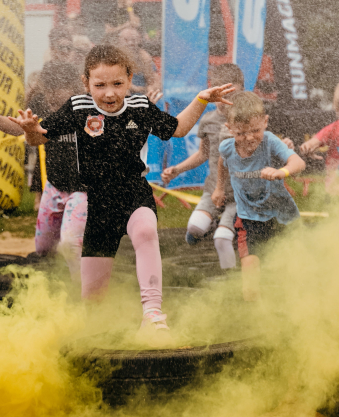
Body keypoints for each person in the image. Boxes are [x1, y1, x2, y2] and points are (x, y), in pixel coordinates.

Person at [13, 44, 234, 336]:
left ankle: (153, 315)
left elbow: (178, 128)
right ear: (86, 83)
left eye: (118, 84)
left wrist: (201, 99)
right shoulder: (78, 107)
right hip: (99, 205)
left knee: (145, 231)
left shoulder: (140, 107)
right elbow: (39, 139)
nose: (109, 93)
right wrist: (30, 128)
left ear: (130, 80)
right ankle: (95, 332)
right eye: (100, 85)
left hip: (133, 194)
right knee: (92, 303)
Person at [213, 91, 307, 302]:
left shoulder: (270, 142)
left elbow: (298, 163)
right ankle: (255, 317)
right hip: (249, 220)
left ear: (265, 122)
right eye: (240, 133)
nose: (248, 138)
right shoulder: (227, 148)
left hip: (283, 218)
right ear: (229, 129)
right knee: (250, 278)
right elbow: (222, 163)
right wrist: (219, 188)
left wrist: (281, 172)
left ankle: (298, 309)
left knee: (293, 272)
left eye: (255, 130)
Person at [162, 64, 245, 269]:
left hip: (238, 193)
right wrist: (177, 169)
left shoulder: (247, 121)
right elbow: (202, 154)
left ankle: (230, 279)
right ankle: (213, 225)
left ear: (242, 91)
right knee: (195, 229)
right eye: (221, 93)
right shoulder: (208, 121)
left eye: (232, 94)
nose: (226, 101)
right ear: (212, 91)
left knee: (222, 240)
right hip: (213, 189)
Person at [27, 62, 88, 281]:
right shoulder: (43, 107)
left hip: (82, 190)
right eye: (48, 89)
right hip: (54, 187)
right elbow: (20, 128)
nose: (52, 95)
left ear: (74, 88)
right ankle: (51, 282)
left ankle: (81, 290)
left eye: (58, 89)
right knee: (43, 247)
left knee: (71, 242)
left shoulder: (86, 110)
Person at [117, 27, 159, 94]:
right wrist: (132, 87)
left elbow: (154, 82)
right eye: (126, 40)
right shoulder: (115, 57)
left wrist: (150, 89)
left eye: (133, 40)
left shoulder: (145, 57)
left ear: (139, 40)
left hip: (142, 94)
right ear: (120, 41)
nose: (130, 43)